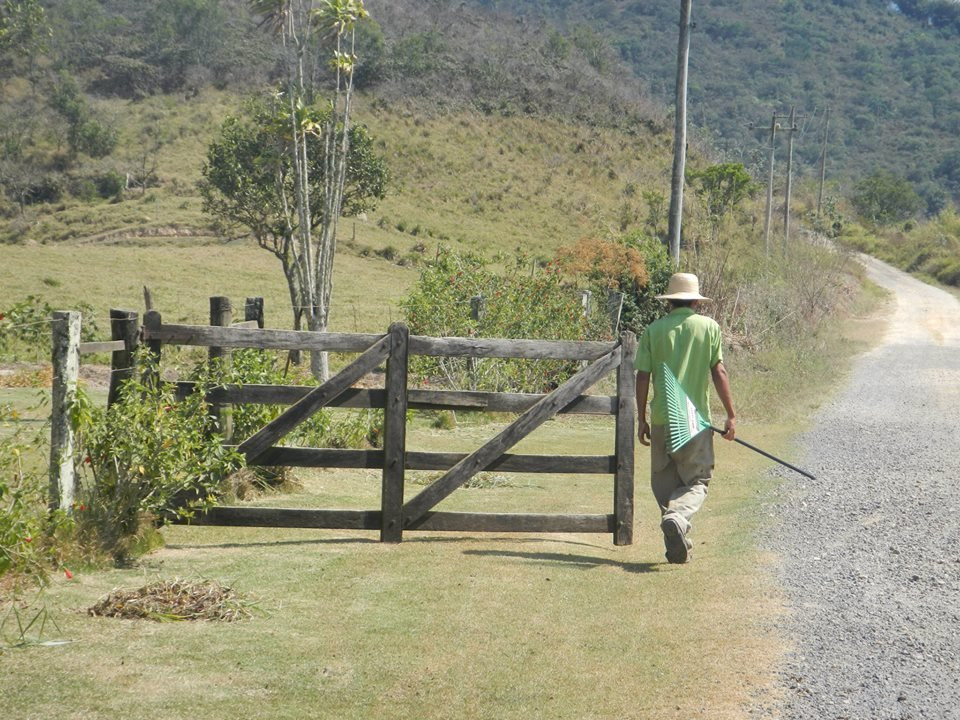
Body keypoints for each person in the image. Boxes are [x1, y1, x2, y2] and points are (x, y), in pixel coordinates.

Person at [634, 272, 737, 564]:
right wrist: (730, 415)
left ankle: (677, 535)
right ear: (696, 301)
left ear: (669, 301)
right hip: (695, 422)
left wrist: (641, 418)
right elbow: (719, 372)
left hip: (663, 419)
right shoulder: (709, 327)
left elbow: (642, 376)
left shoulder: (653, 330)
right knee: (697, 481)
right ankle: (678, 519)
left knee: (664, 483)